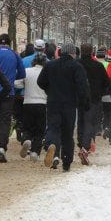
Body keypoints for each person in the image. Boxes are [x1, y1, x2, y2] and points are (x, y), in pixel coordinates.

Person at [37, 40, 89, 172]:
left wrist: (50, 91)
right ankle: (66, 162)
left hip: (53, 102)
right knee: (67, 133)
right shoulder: (77, 67)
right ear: (73, 53)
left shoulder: (50, 65)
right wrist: (83, 103)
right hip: (69, 104)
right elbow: (82, 87)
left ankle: (52, 145)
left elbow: (41, 81)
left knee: (53, 128)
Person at [0, 33, 25, 162]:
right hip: (9, 92)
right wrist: (10, 79)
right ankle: (2, 147)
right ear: (10, 43)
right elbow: (22, 73)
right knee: (5, 120)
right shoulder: (15, 55)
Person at [77, 43, 109, 165]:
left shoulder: (77, 64)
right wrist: (100, 92)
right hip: (94, 99)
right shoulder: (98, 66)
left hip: (78, 98)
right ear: (92, 52)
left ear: (81, 51)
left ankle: (81, 145)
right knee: (89, 123)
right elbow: (107, 83)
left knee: (80, 122)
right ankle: (85, 147)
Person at [20, 52, 48, 160]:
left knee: (27, 126)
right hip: (42, 103)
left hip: (28, 102)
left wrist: (24, 85)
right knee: (39, 130)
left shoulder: (27, 71)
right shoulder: (46, 73)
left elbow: (17, 83)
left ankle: (26, 139)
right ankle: (35, 152)